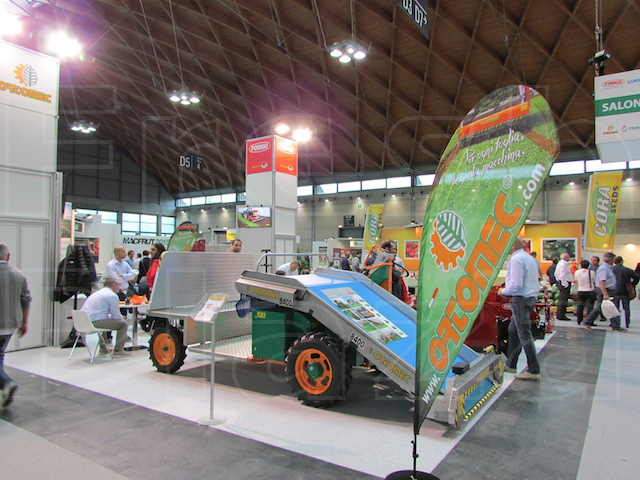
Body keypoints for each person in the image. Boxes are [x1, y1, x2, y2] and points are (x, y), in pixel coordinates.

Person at [498, 237, 541, 381]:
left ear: (513, 246)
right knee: (513, 330)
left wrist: (503, 291)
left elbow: (516, 283)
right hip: (529, 298)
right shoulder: (529, 258)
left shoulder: (516, 259)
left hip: (520, 300)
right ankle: (511, 364)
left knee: (524, 334)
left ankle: (534, 370)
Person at [0, 243, 31, 407]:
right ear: (8, 256)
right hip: (11, 324)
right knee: (0, 354)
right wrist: (24, 322)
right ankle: (4, 387)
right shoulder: (19, 274)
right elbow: (26, 299)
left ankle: (6, 383)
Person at [81, 278, 129, 356]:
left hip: (85, 322)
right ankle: (118, 350)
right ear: (114, 285)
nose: (120, 287)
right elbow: (116, 315)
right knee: (123, 324)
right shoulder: (112, 295)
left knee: (106, 320)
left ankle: (103, 348)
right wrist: (122, 318)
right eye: (119, 285)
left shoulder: (98, 293)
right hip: (95, 323)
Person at [581, 252, 624, 331]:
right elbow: (602, 281)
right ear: (610, 259)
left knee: (610, 307)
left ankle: (615, 325)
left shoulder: (607, 268)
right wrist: (605, 293)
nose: (614, 261)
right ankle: (587, 321)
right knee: (604, 307)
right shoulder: (604, 268)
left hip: (607, 290)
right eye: (613, 259)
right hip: (605, 290)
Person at [612, 256, 640, 328]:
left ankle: (615, 322)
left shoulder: (611, 269)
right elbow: (637, 277)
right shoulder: (627, 270)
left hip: (613, 290)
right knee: (626, 307)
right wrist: (632, 284)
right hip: (625, 290)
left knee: (615, 307)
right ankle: (627, 322)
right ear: (621, 261)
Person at [574, 260, 596, 324]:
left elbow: (576, 281)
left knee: (580, 305)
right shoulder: (591, 272)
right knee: (590, 306)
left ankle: (579, 320)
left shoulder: (577, 272)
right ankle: (589, 320)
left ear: (580, 265)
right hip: (589, 290)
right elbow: (594, 281)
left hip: (580, 290)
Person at [555, 252, 573, 321]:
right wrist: (565, 284)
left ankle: (560, 314)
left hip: (562, 282)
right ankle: (561, 315)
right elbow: (562, 275)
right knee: (563, 300)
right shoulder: (563, 264)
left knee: (562, 299)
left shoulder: (560, 263)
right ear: (566, 257)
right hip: (564, 283)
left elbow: (556, 274)